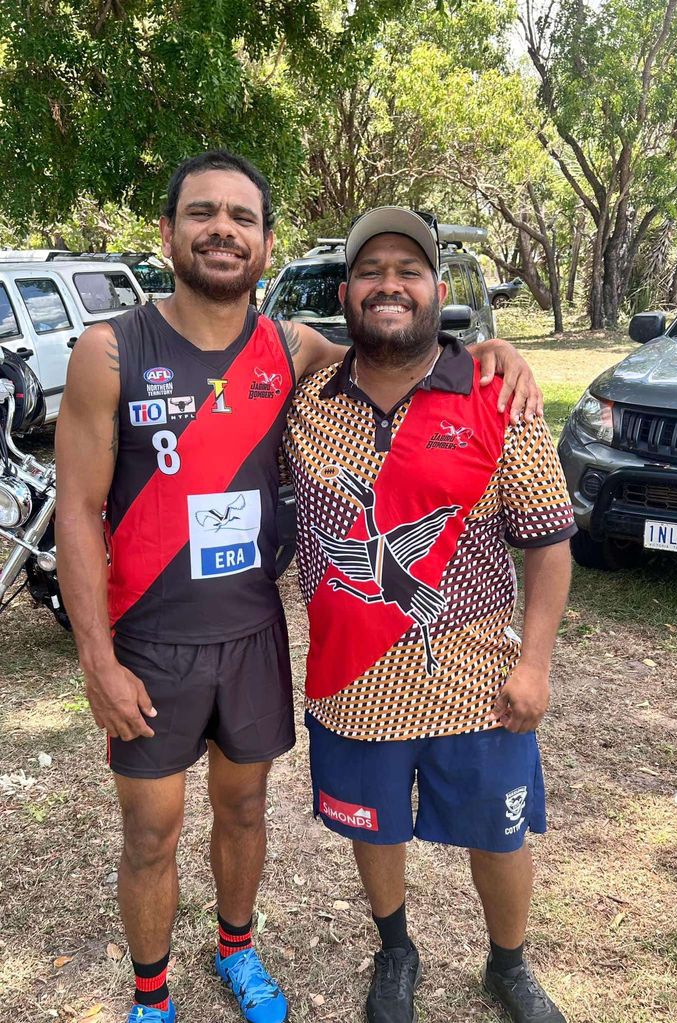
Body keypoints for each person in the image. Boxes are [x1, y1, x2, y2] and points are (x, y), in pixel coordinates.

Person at [55, 151, 540, 1023]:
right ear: (167, 233)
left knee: (243, 812)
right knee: (149, 831)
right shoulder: (110, 351)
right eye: (201, 213)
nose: (221, 231)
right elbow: (78, 514)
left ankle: (237, 949)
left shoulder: (290, 348)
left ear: (267, 244)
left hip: (251, 635)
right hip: (152, 642)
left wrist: (491, 350)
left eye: (242, 218)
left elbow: (397, 346)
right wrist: (97, 658)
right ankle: (150, 995)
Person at [283, 207, 576, 1023]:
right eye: (371, 269)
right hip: (353, 682)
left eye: (407, 271)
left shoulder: (494, 393)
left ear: (437, 291)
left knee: (500, 832)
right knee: (374, 826)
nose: (389, 284)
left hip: (477, 682)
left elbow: (549, 544)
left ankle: (509, 964)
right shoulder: (306, 402)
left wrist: (536, 663)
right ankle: (396, 948)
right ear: (345, 294)